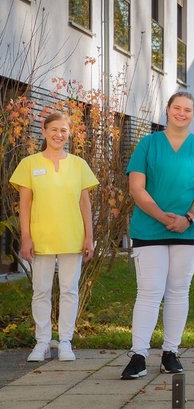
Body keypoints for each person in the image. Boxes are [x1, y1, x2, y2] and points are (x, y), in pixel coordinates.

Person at [121, 91, 194, 380]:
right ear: (167, 110)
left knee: (177, 292)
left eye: (188, 109)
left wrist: (187, 218)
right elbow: (136, 187)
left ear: (193, 115)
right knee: (149, 292)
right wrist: (162, 217)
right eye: (177, 108)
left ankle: (170, 353)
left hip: (190, 229)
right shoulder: (148, 144)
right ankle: (138, 355)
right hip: (150, 228)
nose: (182, 113)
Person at [11, 112, 99, 362]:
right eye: (54, 130)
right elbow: (25, 205)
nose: (59, 135)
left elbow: (85, 204)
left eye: (63, 130)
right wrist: (26, 237)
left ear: (68, 133)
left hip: (73, 236)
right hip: (41, 238)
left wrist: (88, 237)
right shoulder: (29, 164)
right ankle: (41, 343)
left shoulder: (79, 164)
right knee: (41, 290)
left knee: (69, 291)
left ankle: (65, 343)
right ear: (44, 130)